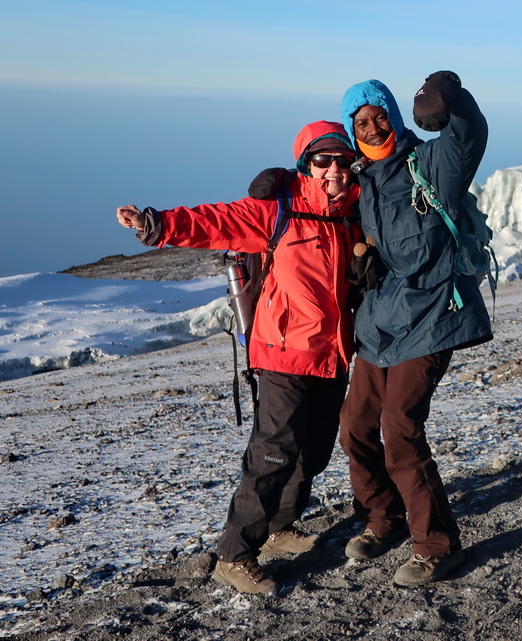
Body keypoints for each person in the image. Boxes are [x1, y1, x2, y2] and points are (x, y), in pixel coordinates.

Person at [115, 121, 363, 595]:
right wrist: (157, 223)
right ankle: (235, 554)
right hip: (283, 350)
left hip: (331, 352)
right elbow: (216, 220)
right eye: (322, 160)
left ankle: (280, 528)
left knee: (313, 451)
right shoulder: (278, 208)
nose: (334, 169)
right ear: (305, 165)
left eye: (342, 159)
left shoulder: (354, 212)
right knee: (272, 453)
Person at [337, 71, 491, 587]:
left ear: (396, 117)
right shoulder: (360, 182)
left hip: (431, 319)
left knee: (399, 429)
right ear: (351, 129)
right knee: (356, 427)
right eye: (362, 121)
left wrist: (450, 94)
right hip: (380, 324)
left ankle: (437, 546)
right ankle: (384, 518)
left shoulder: (429, 165)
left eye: (380, 116)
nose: (373, 126)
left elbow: (468, 136)